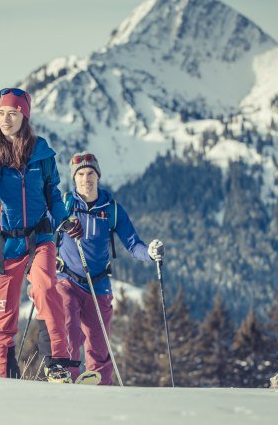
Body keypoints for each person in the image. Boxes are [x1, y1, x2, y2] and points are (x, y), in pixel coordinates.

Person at [0, 87, 82, 383]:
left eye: (12, 113)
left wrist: (64, 221)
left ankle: (56, 363)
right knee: (3, 316)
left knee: (45, 287)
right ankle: (2, 376)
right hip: (2, 246)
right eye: (1, 113)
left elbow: (52, 194)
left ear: (24, 116)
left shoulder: (42, 153)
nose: (6, 119)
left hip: (39, 238)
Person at [55, 152, 164, 385]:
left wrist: (150, 253)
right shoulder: (63, 205)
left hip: (99, 284)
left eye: (91, 173)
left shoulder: (112, 209)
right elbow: (44, 232)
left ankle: (102, 392)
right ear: (74, 179)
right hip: (67, 280)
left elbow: (133, 245)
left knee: (99, 346)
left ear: (98, 176)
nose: (86, 179)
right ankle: (68, 383)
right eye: (81, 174)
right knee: (70, 332)